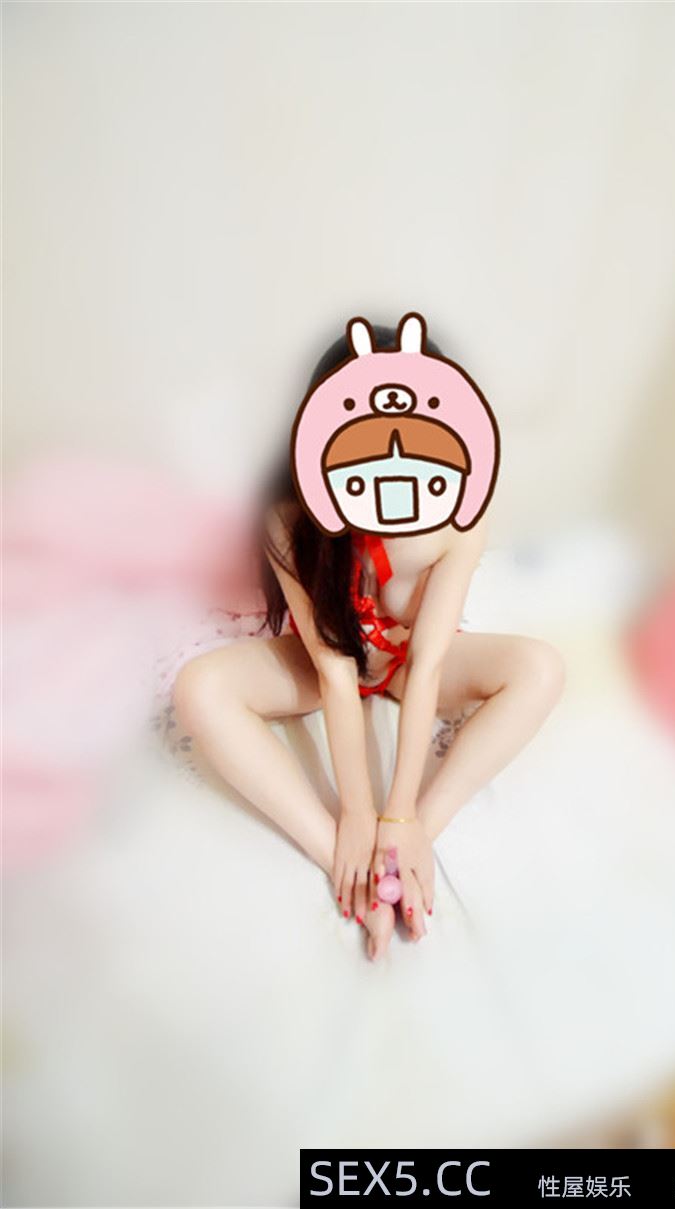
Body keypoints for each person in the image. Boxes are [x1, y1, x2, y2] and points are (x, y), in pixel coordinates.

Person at [173, 323, 564, 961]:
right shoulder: (289, 519)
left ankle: (412, 847)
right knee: (200, 688)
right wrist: (355, 815)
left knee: (540, 668)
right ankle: (342, 861)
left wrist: (403, 817)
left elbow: (430, 663)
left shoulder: (457, 518)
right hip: (328, 664)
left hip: (411, 667)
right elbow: (332, 670)